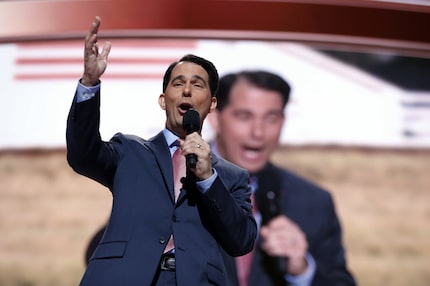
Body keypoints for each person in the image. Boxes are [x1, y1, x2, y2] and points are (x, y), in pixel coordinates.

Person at [66, 16, 257, 286]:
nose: (187, 90)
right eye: (178, 84)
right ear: (163, 100)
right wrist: (89, 84)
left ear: (212, 104)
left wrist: (208, 178)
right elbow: (82, 154)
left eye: (198, 84)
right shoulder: (130, 152)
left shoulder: (231, 176)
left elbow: (242, 240)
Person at [207, 70, 356, 285]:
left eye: (271, 118)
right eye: (244, 116)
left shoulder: (313, 202)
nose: (258, 132)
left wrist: (301, 270)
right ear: (215, 118)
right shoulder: (163, 184)